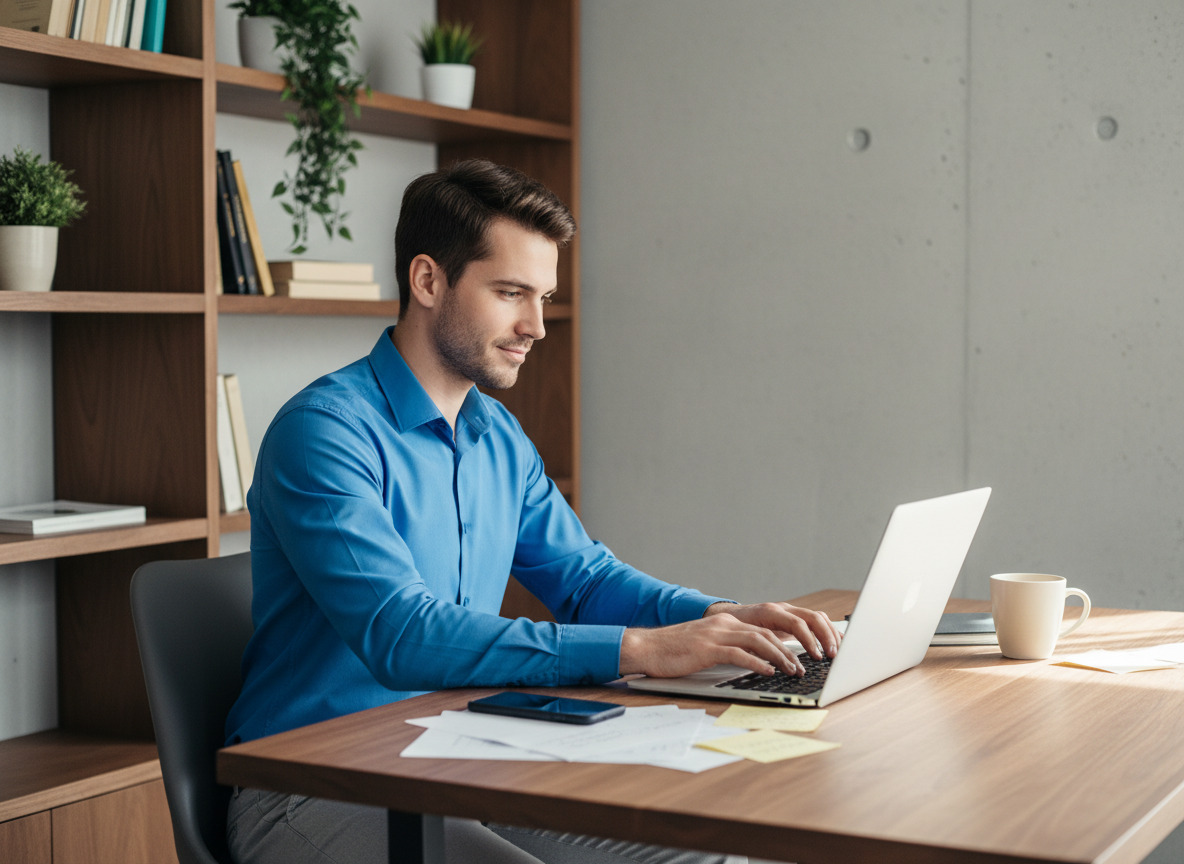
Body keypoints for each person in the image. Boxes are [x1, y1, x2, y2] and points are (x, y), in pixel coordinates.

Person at [224, 159, 842, 864]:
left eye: (543, 297)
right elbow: (400, 633)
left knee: (709, 855)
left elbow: (583, 582)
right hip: (313, 788)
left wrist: (715, 619)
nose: (537, 326)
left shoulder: (498, 435)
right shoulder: (324, 432)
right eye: (511, 293)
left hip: (466, 755)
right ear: (428, 281)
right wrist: (639, 650)